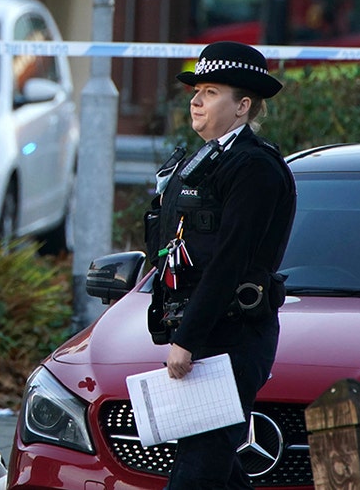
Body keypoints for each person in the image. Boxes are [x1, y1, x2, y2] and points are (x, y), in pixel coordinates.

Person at [145, 41, 296, 489]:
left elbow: (230, 260)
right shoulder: (198, 163)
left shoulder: (254, 168)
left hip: (231, 338)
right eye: (196, 90)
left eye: (210, 91)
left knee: (197, 473)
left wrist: (188, 338)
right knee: (217, 473)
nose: (195, 100)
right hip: (204, 334)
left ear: (243, 105)